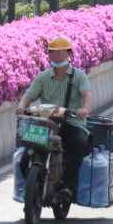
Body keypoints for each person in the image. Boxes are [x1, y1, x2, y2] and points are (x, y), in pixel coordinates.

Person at [17, 37, 93, 202]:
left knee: (79, 144)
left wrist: (84, 109)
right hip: (47, 123)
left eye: (60, 51)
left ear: (68, 53)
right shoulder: (43, 77)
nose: (56, 55)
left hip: (72, 123)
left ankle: (66, 187)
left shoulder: (79, 76)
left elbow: (86, 95)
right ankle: (33, 188)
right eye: (52, 51)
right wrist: (22, 106)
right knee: (24, 156)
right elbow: (28, 96)